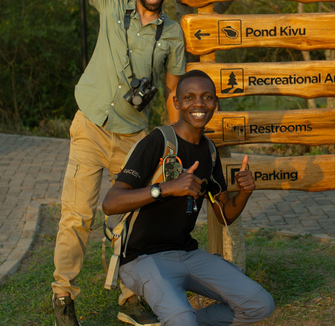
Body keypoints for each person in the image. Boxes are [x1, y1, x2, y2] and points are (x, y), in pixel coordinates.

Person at [18, 0, 186, 326]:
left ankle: (132, 298)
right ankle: (63, 296)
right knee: (77, 214)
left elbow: (172, 92)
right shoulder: (112, 4)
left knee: (135, 219)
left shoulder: (173, 35)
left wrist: (172, 146)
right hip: (91, 125)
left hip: (134, 136)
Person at [102, 70, 275, 326]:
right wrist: (165, 188)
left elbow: (223, 213)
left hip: (186, 254)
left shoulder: (209, 150)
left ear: (215, 103)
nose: (199, 104)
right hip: (142, 259)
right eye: (189, 97)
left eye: (207, 97)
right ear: (177, 102)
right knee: (181, 320)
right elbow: (110, 203)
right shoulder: (157, 141)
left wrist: (245, 192)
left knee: (259, 305)